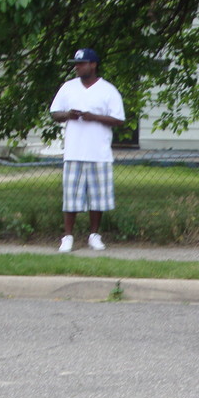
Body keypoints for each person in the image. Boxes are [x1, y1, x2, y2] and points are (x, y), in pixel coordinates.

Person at [50, 48, 125, 252]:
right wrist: (68, 115)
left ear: (93, 65)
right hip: (74, 151)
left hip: (98, 152)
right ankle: (67, 237)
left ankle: (94, 235)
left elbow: (118, 119)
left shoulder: (108, 90)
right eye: (76, 64)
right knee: (71, 197)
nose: (77, 67)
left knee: (98, 197)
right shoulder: (68, 87)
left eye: (81, 63)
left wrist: (94, 117)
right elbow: (54, 113)